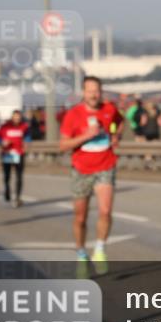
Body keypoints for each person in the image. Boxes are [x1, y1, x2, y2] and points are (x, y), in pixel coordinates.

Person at [59, 76, 123, 275]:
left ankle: (100, 249)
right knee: (80, 218)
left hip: (105, 165)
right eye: (89, 91)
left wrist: (115, 135)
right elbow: (62, 146)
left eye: (97, 91)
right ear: (83, 93)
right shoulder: (73, 115)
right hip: (81, 169)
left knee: (105, 211)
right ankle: (81, 253)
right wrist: (86, 135)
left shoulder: (109, 109)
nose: (93, 94)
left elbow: (120, 122)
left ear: (101, 92)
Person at [0, 109, 31, 207]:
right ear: (12, 117)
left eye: (18, 117)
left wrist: (26, 143)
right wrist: (1, 142)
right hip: (7, 153)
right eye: (15, 116)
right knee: (7, 175)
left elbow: (27, 136)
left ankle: (17, 197)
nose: (17, 118)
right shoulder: (5, 126)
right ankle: (7, 189)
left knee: (19, 176)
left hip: (19, 153)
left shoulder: (24, 126)